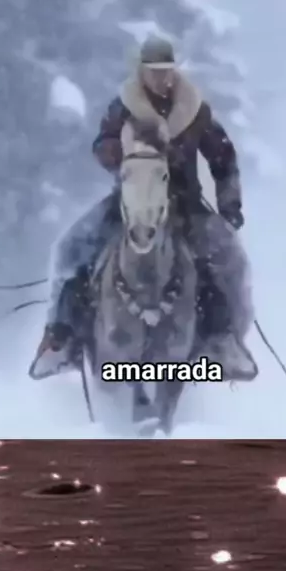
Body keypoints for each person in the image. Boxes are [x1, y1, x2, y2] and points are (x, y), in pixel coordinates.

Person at [37, 37, 255, 376]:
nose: (161, 77)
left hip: (185, 204)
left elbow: (222, 157)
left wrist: (229, 205)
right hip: (129, 201)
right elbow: (102, 145)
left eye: (166, 70)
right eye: (154, 71)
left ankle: (225, 339)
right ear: (141, 71)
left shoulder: (194, 110)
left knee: (231, 258)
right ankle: (61, 337)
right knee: (70, 248)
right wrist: (125, 153)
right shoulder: (124, 107)